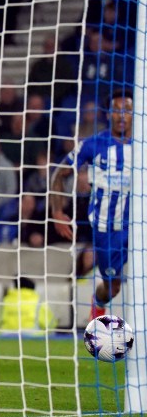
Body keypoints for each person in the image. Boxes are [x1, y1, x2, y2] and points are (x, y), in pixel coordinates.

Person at [51, 91, 132, 320]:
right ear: (108, 115)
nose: (122, 115)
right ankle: (98, 303)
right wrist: (57, 211)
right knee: (112, 288)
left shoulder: (141, 146)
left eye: (127, 110)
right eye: (116, 110)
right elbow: (59, 174)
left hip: (138, 225)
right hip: (107, 229)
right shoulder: (93, 145)